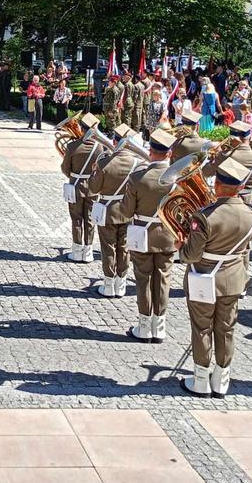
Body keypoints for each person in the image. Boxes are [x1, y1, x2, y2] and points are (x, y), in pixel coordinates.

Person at [178, 156, 252, 398]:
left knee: (202, 327)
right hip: (233, 278)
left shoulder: (204, 216)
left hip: (204, 277)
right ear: (241, 187)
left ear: (217, 185)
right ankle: (221, 380)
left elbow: (191, 255)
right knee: (226, 329)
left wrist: (180, 246)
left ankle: (201, 379)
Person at [123, 128, 177, 342]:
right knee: (163, 279)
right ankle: (160, 326)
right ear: (170, 153)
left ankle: (144, 326)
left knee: (143, 279)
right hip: (168, 235)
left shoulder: (137, 178)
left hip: (142, 233)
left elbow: (126, 211)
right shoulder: (179, 178)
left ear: (150, 150)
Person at [88, 124, 145, 297]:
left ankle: (108, 284)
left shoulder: (104, 162)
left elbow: (93, 188)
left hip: (108, 211)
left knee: (108, 248)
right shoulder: (138, 164)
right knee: (124, 248)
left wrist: (94, 173)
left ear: (114, 141)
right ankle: (121, 284)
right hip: (128, 212)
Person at [60, 112, 103, 263]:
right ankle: (88, 252)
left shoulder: (72, 146)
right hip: (92, 187)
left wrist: (74, 175)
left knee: (76, 218)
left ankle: (77, 251)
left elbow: (65, 169)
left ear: (81, 128)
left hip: (76, 186)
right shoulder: (100, 148)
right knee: (90, 219)